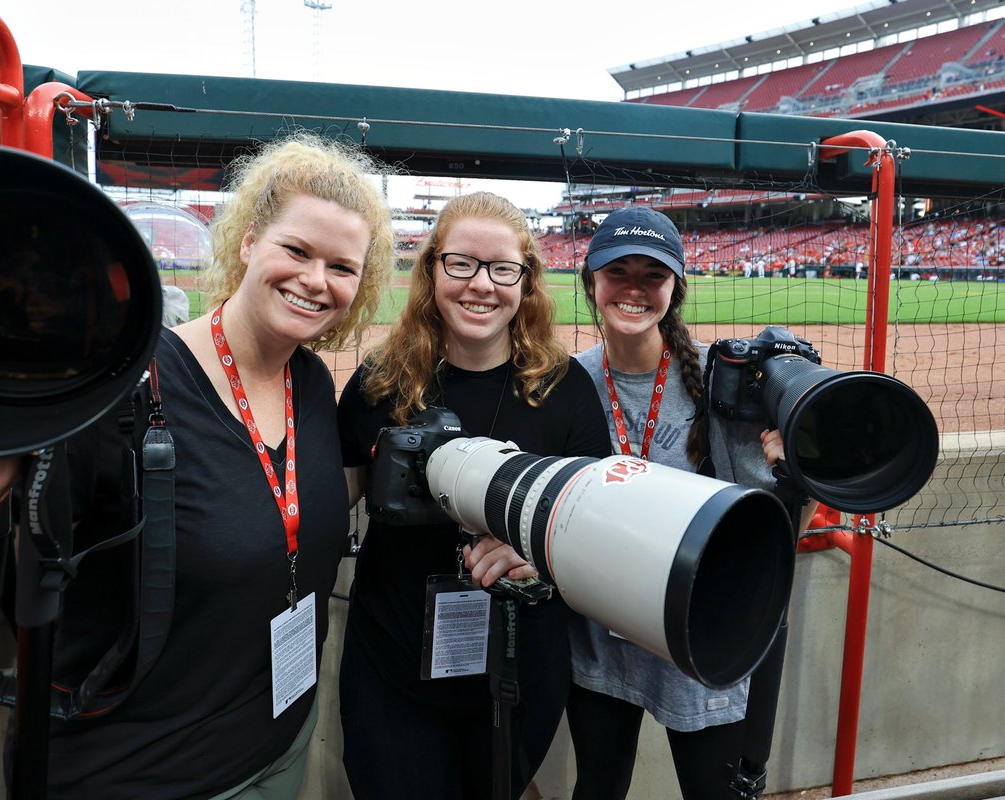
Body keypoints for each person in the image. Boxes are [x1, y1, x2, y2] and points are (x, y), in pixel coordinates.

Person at [0, 132, 396, 800]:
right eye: (297, 250)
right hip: (133, 775)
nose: (316, 280)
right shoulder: (120, 390)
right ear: (249, 242)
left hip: (277, 750)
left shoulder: (309, 383)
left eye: (342, 266)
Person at [337, 191, 612, 800]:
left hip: (519, 667)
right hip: (393, 662)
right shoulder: (380, 380)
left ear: (527, 281)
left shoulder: (566, 391)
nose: (481, 285)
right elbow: (331, 505)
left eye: (502, 269)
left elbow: (598, 531)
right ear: (433, 268)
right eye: (461, 263)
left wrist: (543, 559)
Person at [567, 206, 816, 799]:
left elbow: (778, 531)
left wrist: (797, 473)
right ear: (590, 282)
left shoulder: (723, 382)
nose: (633, 289)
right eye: (616, 271)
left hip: (701, 638)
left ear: (675, 288)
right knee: (597, 787)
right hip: (601, 636)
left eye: (651, 275)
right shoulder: (569, 381)